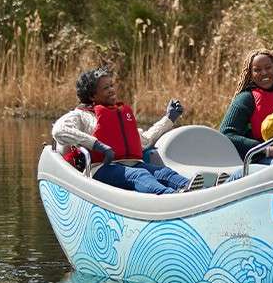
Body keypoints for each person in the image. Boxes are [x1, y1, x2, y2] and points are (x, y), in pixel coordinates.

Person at [52, 67, 192, 194]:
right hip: (101, 168)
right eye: (106, 88)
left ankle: (194, 189)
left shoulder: (121, 115)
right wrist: (98, 146)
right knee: (140, 176)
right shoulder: (82, 115)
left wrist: (169, 119)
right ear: (92, 96)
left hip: (134, 164)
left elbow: (144, 141)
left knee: (164, 173)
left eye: (111, 85)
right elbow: (59, 130)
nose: (112, 90)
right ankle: (172, 197)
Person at [219, 49, 273, 164]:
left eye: (268, 68)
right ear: (250, 75)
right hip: (257, 159)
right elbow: (226, 134)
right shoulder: (245, 98)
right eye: (257, 70)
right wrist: (265, 149)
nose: (264, 73)